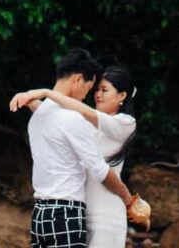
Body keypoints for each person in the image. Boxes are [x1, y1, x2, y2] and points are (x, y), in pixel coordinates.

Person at [11, 62, 149, 248]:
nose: (97, 95)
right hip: (80, 213)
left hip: (106, 216)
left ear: (122, 95)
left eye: (104, 90)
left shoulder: (125, 123)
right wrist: (29, 100)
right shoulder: (87, 123)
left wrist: (47, 92)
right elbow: (60, 119)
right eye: (96, 89)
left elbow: (82, 110)